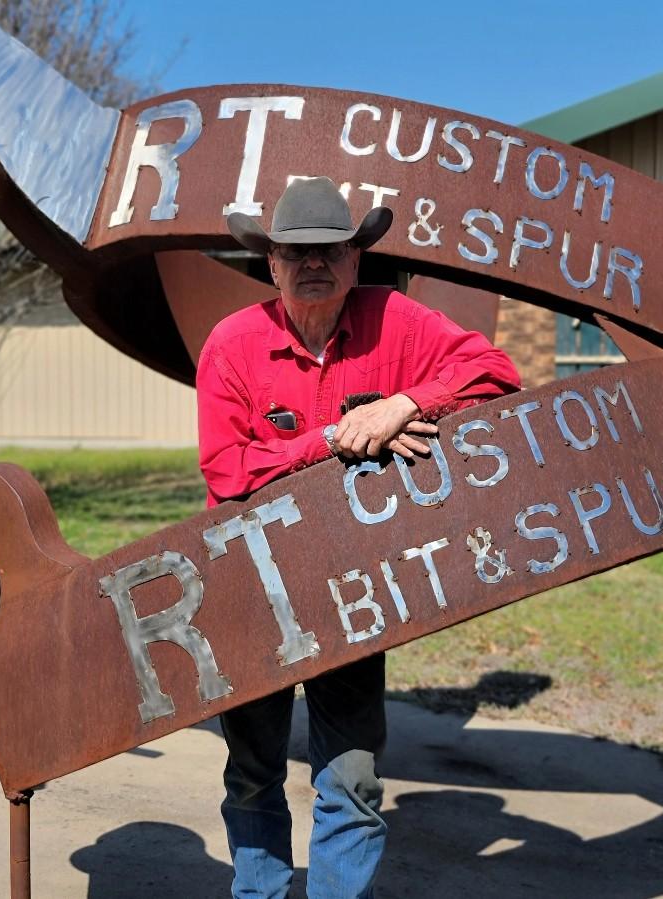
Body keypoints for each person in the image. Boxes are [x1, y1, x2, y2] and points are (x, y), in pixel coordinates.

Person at [196, 176, 521, 898]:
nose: (314, 263)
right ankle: (261, 892)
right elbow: (228, 474)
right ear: (270, 261)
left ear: (356, 258)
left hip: (353, 584)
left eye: (332, 248)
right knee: (253, 770)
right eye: (295, 251)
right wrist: (336, 439)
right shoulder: (232, 343)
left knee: (353, 775)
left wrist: (405, 401)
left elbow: (496, 372)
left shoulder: (395, 319)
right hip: (254, 584)